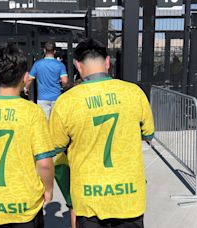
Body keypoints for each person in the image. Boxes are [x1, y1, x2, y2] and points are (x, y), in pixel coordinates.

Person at [49, 39, 155, 228]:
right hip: (129, 198)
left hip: (88, 200)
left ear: (77, 65)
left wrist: (70, 198)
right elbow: (148, 134)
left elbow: (56, 156)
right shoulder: (134, 93)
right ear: (107, 62)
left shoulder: (66, 102)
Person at [0, 43, 55, 228]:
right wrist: (48, 189)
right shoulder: (33, 112)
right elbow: (44, 162)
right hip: (26, 203)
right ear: (25, 77)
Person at [25, 41, 69, 119]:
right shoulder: (60, 65)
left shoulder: (37, 64)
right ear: (54, 51)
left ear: (44, 50)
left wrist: (26, 89)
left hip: (42, 98)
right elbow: (65, 81)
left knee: (44, 123)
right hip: (56, 97)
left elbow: (29, 79)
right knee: (56, 123)